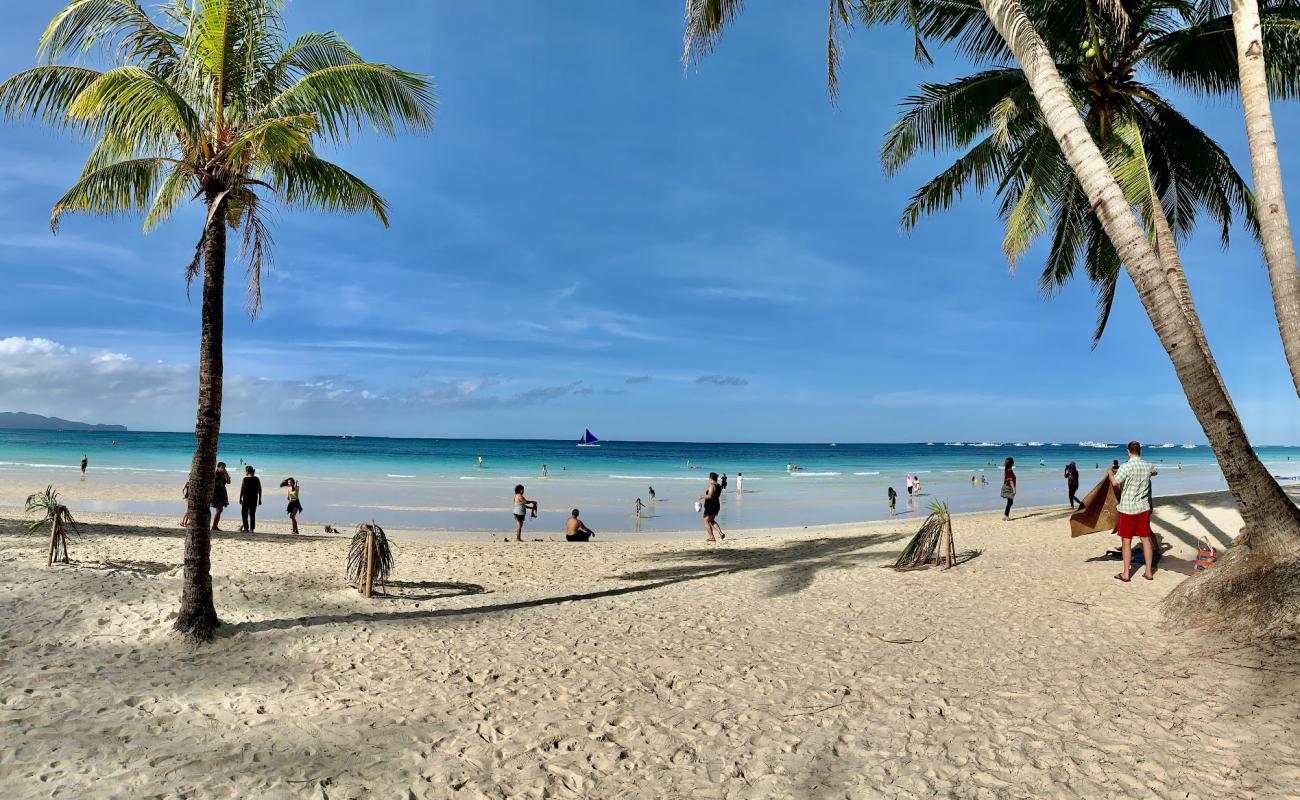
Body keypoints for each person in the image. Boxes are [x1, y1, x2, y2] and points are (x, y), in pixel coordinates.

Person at [1110, 441, 1158, 582]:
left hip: (1128, 509)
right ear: (1140, 451)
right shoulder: (1147, 466)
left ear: (1128, 451)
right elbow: (1155, 471)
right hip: (1143, 508)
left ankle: (1126, 574)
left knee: (1126, 542)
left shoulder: (1125, 467)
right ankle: (1149, 572)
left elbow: (1115, 482)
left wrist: (1109, 472)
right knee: (1145, 540)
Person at [699, 472, 724, 542]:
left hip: (710, 506)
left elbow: (710, 496)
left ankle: (711, 537)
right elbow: (717, 495)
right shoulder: (719, 486)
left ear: (710, 478)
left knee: (706, 521)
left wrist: (702, 497)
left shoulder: (712, 486)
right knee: (711, 520)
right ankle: (720, 533)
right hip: (717, 505)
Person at [238, 466, 262, 532]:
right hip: (254, 498)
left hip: (246, 498)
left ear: (247, 472)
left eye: (245, 471)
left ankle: (246, 529)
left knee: (244, 513)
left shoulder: (245, 479)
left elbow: (242, 489)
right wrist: (260, 499)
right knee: (252, 514)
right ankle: (252, 529)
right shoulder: (256, 479)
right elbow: (260, 490)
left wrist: (240, 498)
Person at [211, 462, 231, 531]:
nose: (224, 469)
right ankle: (214, 526)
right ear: (218, 467)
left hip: (222, 492)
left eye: (224, 467)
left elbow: (228, 482)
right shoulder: (214, 474)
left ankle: (215, 526)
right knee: (220, 509)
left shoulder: (224, 474)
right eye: (222, 467)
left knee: (219, 509)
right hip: (215, 493)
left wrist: (226, 473)